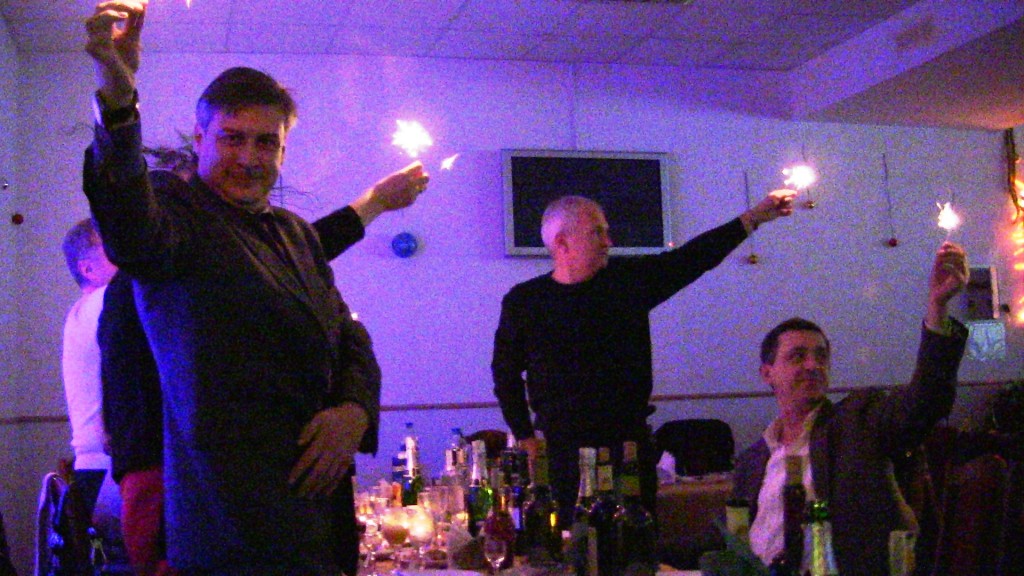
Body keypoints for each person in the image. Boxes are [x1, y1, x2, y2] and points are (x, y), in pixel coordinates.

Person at [82, 1, 427, 573]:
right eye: (232, 138)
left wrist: (354, 410)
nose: (248, 157)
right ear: (200, 138)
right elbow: (129, 220)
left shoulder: (295, 233)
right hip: (228, 527)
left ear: (284, 149)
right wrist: (118, 101)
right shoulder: (176, 214)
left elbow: (349, 334)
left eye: (266, 143)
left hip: (317, 524)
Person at [99, 159, 423, 576]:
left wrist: (354, 409)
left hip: (290, 507)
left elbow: (335, 318)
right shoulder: (147, 278)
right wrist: (373, 203)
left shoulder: (271, 256)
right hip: (177, 488)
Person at [492, 190, 796, 524]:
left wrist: (752, 218)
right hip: (563, 454)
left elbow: (692, 258)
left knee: (634, 541)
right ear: (562, 243)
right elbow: (505, 375)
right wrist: (524, 436)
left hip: (628, 449)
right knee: (571, 541)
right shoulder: (525, 303)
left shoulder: (627, 283)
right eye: (597, 232)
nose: (608, 242)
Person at [731, 241, 969, 576]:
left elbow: (926, 403)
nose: (813, 365)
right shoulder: (753, 460)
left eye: (821, 355)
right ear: (767, 373)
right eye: (798, 356)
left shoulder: (859, 420)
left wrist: (937, 307)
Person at [60, 217, 119, 521]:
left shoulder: (81, 312)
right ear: (88, 269)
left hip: (93, 470)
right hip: (111, 472)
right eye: (114, 251)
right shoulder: (106, 301)